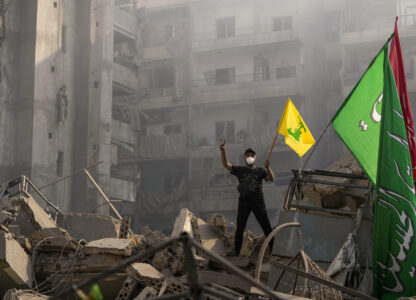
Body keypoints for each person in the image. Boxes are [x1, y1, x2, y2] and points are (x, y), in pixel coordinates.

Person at [219, 138, 275, 256]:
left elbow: (271, 178)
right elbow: (226, 164)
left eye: (252, 155)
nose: (250, 157)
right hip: (244, 202)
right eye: (248, 155)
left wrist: (268, 168)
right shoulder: (240, 170)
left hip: (258, 203)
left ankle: (274, 251)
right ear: (245, 157)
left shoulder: (260, 170)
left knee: (267, 227)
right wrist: (223, 151)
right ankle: (237, 251)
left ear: (255, 158)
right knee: (240, 227)